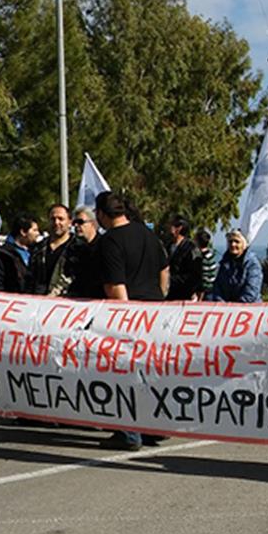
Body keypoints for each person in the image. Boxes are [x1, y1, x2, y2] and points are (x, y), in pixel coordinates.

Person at [95, 192, 169, 450]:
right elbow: (164, 271)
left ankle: (128, 433)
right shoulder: (149, 235)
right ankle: (152, 428)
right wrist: (159, 298)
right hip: (155, 312)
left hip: (130, 315)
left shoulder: (110, 242)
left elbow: (117, 285)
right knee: (149, 373)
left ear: (102, 214)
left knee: (124, 373)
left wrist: (124, 320)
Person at [27, 205, 73, 296]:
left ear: (69, 222)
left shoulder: (78, 249)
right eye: (53, 219)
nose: (56, 222)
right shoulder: (38, 249)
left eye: (61, 219)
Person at [212, 229, 263, 303]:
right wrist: (221, 304)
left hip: (249, 308)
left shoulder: (252, 264)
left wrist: (236, 307)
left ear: (244, 244)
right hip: (227, 309)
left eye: (237, 241)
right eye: (230, 241)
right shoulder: (224, 263)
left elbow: (252, 290)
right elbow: (217, 287)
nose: (233, 244)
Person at [63, 205, 103, 299]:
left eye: (80, 222)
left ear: (93, 223)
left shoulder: (104, 246)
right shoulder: (74, 248)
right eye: (74, 223)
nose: (76, 226)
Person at [0, 214, 39, 294]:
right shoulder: (3, 255)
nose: (37, 234)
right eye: (34, 230)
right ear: (23, 232)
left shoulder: (37, 252)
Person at [165, 214, 203, 301]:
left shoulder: (191, 249)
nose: (168, 228)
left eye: (171, 225)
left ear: (179, 228)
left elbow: (195, 276)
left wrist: (171, 279)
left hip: (184, 296)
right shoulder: (168, 246)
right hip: (169, 295)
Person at [194, 230, 217, 301]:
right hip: (213, 289)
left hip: (204, 292)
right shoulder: (211, 255)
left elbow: (202, 278)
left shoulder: (201, 259)